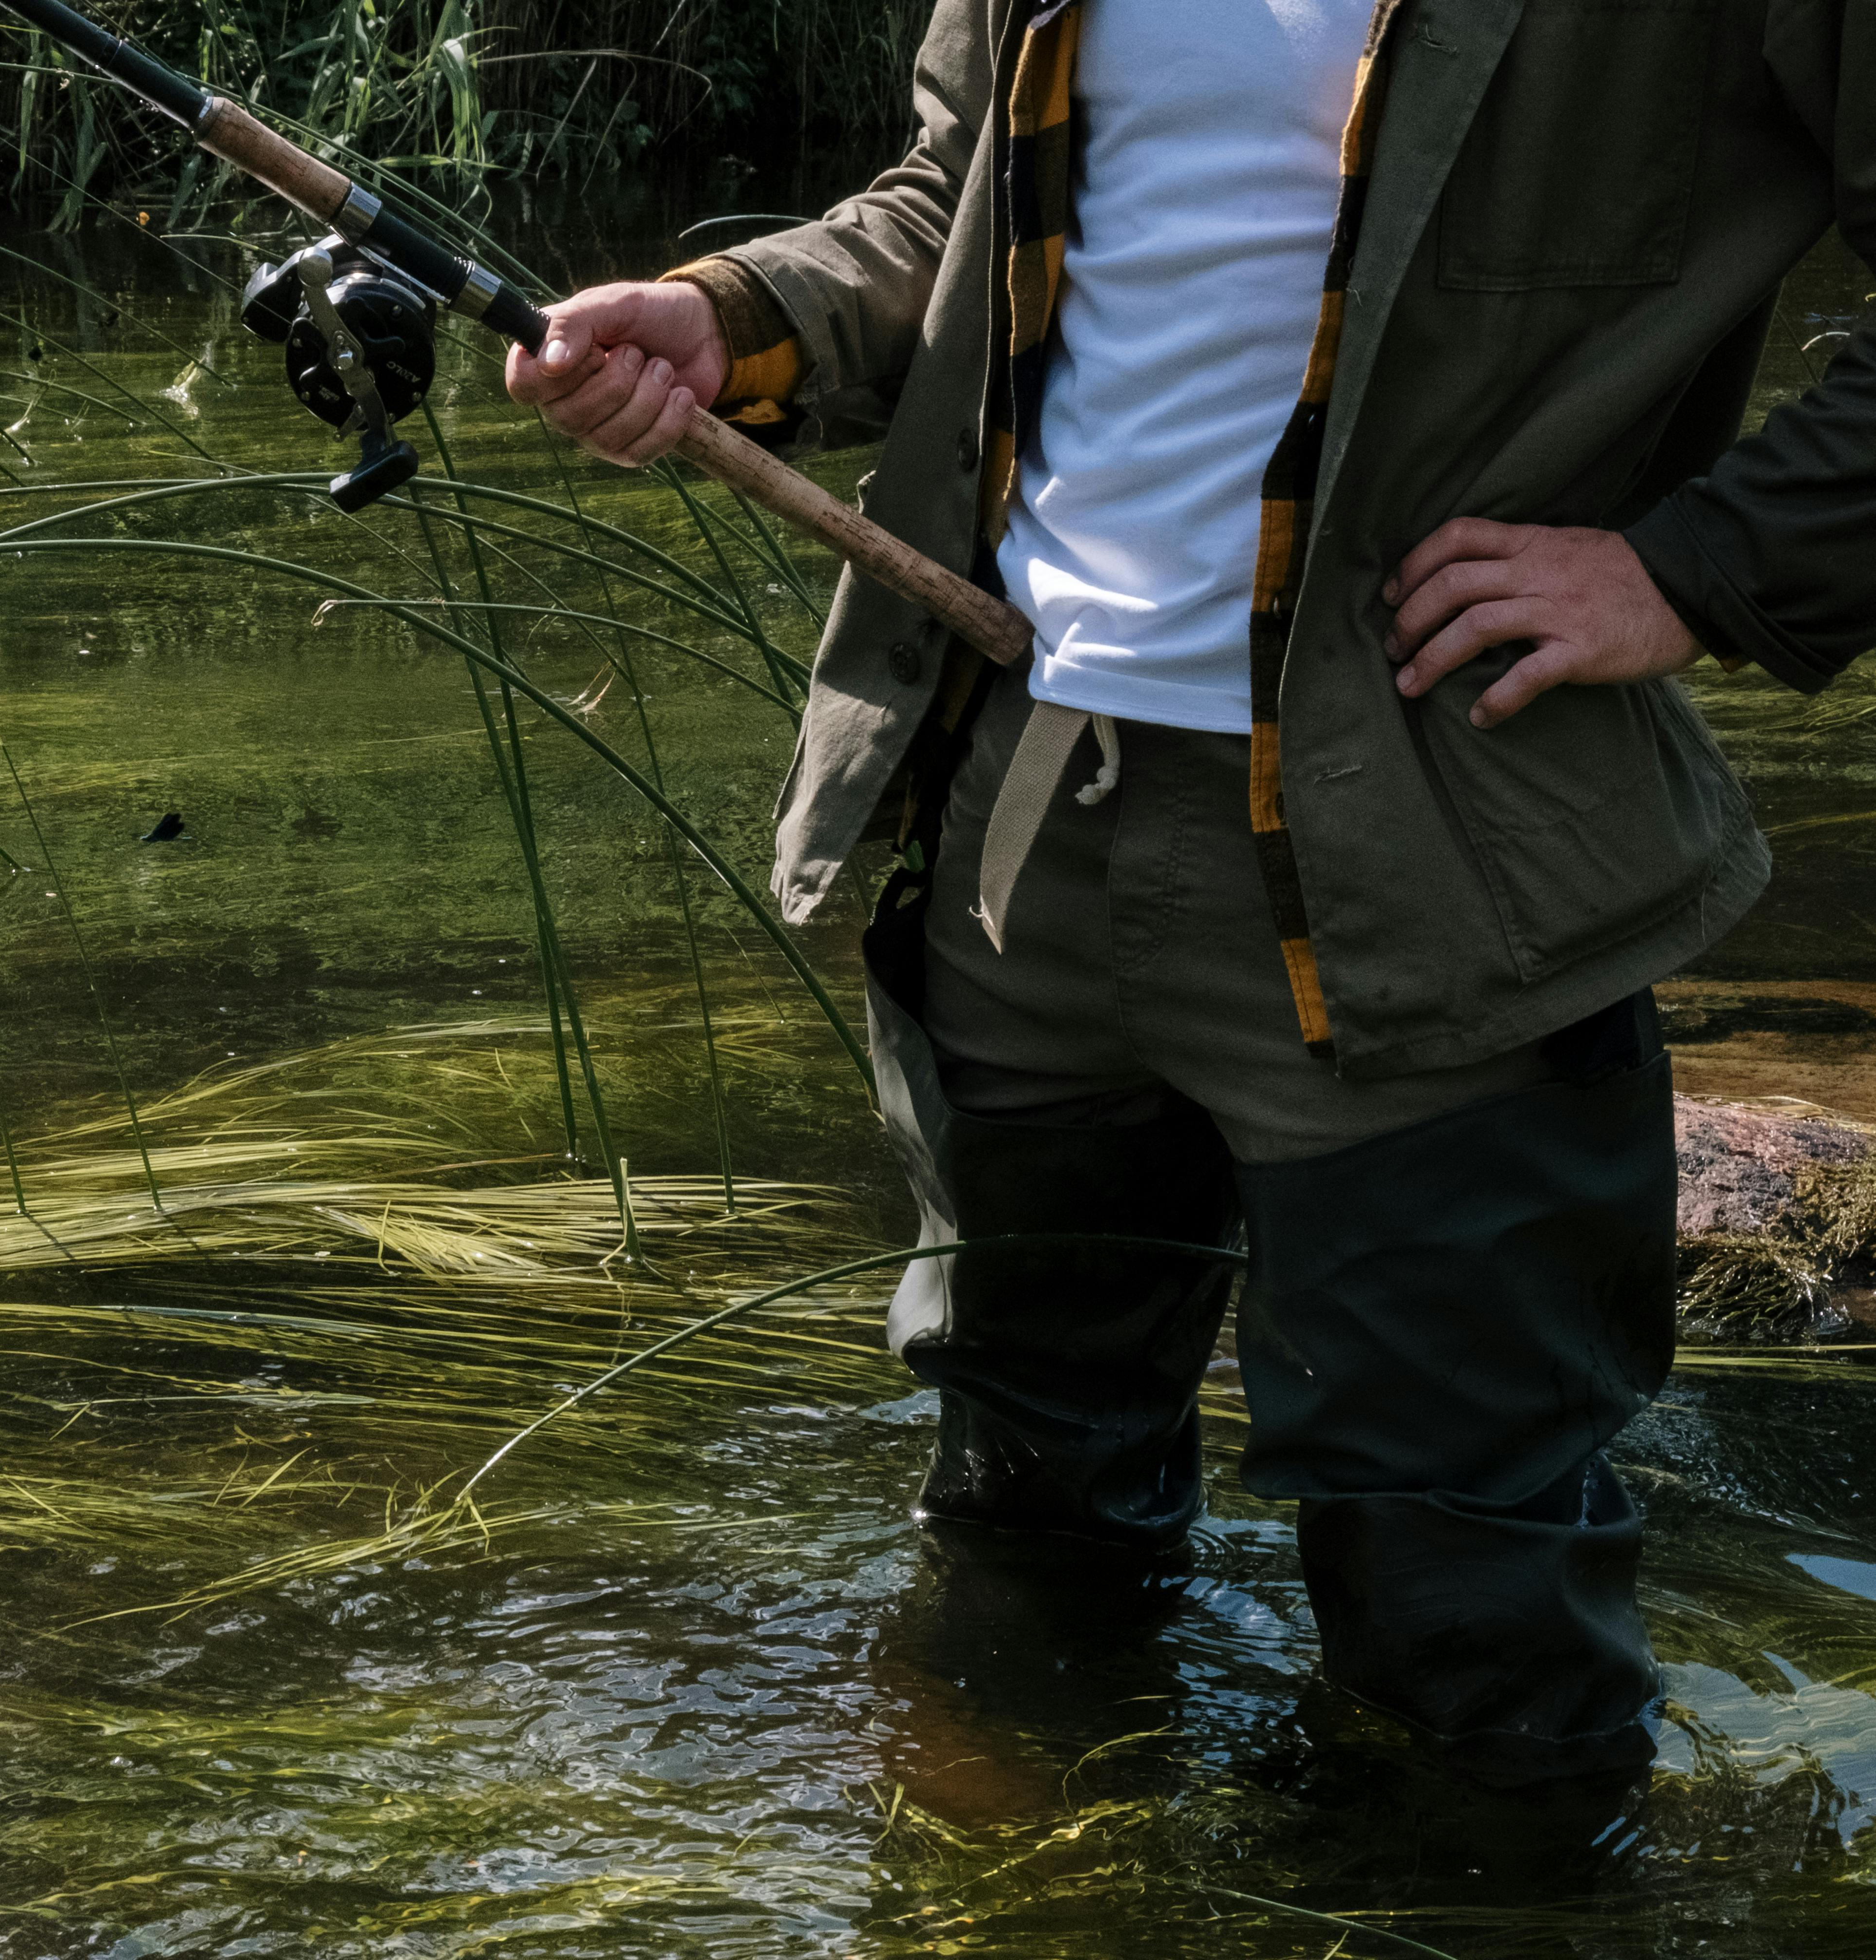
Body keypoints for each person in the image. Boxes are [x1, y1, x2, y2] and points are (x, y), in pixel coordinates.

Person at [507, 0, 1874, 1786]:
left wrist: (1695, 569)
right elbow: (957, 205)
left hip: (1439, 852)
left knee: (1469, 1613)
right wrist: (729, 321)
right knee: (1021, 1529)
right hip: (1014, 816)